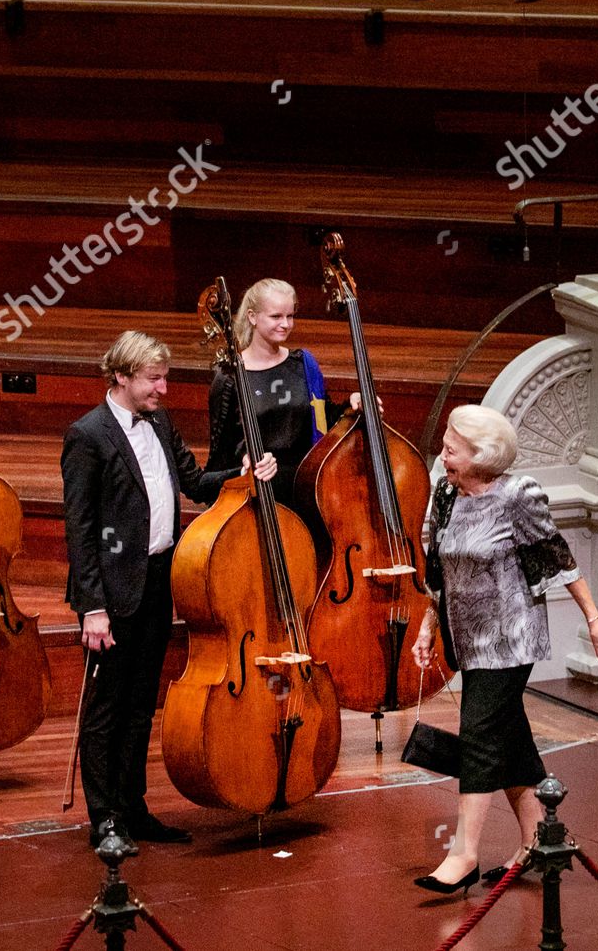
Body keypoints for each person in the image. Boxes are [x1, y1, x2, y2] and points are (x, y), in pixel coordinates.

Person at [63, 331, 275, 847]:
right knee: (107, 708)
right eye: (153, 378)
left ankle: (133, 809)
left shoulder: (158, 421)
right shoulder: (87, 435)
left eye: (164, 376)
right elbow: (80, 529)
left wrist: (240, 473)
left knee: (141, 704)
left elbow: (194, 482)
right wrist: (92, 608)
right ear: (121, 376)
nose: (163, 386)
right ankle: (104, 819)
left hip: (158, 580)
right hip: (111, 595)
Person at [410, 405, 598, 893]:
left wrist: (596, 621)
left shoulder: (517, 497)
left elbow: (557, 555)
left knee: (479, 735)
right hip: (468, 638)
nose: (443, 455)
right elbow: (440, 571)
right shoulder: (445, 493)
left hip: (510, 637)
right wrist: (427, 627)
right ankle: (537, 843)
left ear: (482, 456)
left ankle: (463, 854)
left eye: (452, 449)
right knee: (510, 740)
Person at [206, 278, 361, 508]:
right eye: (276, 316)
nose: (286, 324)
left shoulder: (303, 363)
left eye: (290, 316)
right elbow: (221, 450)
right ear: (252, 317)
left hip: (304, 491)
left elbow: (322, 421)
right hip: (257, 493)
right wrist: (244, 464)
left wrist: (351, 403)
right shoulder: (230, 376)